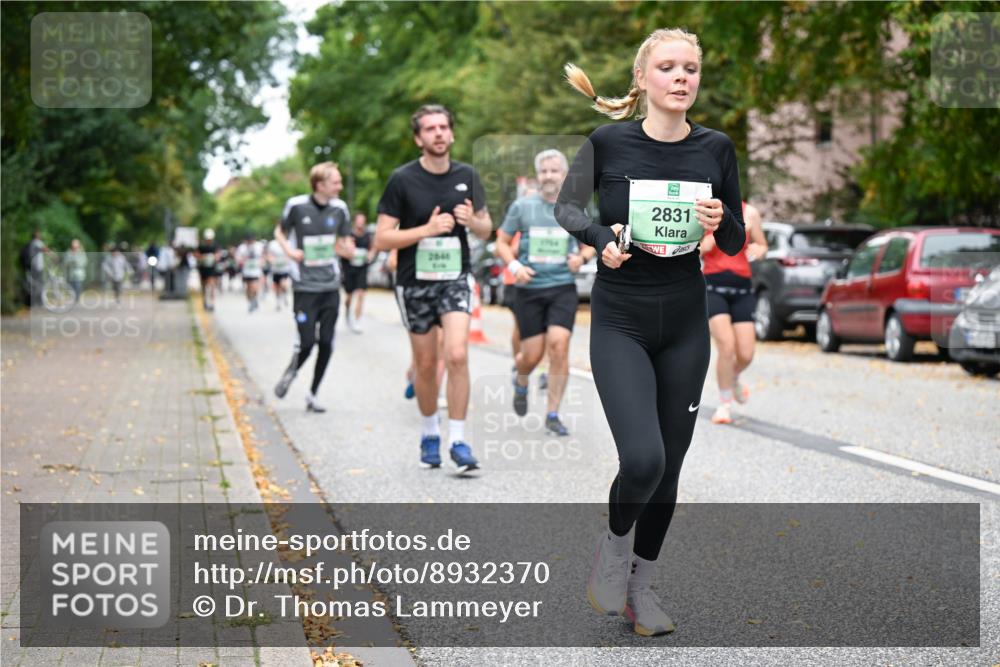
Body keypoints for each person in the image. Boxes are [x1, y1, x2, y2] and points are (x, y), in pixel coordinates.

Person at [556, 29, 745, 636]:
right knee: (643, 459)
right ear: (643, 80)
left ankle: (642, 587)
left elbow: (737, 239)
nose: (682, 77)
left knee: (671, 466)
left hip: (685, 319)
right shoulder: (608, 141)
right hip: (620, 317)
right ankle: (613, 550)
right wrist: (598, 239)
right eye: (668, 67)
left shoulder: (715, 149)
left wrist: (720, 220)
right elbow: (567, 208)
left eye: (691, 67)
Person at [374, 104, 492, 474]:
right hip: (414, 282)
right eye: (430, 129)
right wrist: (425, 230)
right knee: (426, 365)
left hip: (455, 278)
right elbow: (381, 238)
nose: (438, 133)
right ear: (418, 138)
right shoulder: (402, 180)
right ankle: (430, 431)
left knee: (456, 355)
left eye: (443, 127)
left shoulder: (468, 175)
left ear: (452, 134)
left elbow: (488, 229)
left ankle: (457, 439)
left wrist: (471, 220)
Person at [495, 149, 595, 436]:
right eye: (544, 171)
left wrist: (581, 259)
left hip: (562, 287)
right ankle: (522, 379)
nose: (549, 176)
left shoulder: (575, 208)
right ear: (538, 175)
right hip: (530, 289)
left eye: (555, 171)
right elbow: (501, 243)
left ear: (565, 176)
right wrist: (515, 267)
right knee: (531, 355)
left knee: (559, 345)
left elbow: (590, 242)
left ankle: (553, 413)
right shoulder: (522, 207)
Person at [272, 162, 353, 413]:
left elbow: (343, 243)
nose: (340, 186)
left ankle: (313, 393)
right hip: (304, 287)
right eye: (336, 182)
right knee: (307, 342)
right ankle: (292, 371)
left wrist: (347, 250)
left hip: (330, 286)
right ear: (320, 185)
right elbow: (280, 231)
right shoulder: (296, 206)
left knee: (327, 343)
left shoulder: (340, 209)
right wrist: (290, 251)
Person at [700, 201, 767, 424]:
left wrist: (759, 249)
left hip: (741, 288)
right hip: (713, 287)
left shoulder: (750, 213)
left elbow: (762, 245)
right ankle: (724, 405)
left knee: (746, 354)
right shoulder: (705, 209)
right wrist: (703, 245)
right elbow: (691, 248)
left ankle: (733, 375)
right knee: (726, 347)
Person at [341, 212, 377, 333]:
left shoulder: (367, 235)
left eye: (363, 220)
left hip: (362, 267)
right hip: (349, 268)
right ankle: (347, 312)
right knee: (349, 295)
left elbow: (373, 247)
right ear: (355, 221)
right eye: (359, 220)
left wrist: (371, 255)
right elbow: (339, 247)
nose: (361, 223)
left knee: (361, 294)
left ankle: (357, 321)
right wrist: (348, 253)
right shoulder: (348, 235)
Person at [236, 232, 265, 312]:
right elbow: (238, 258)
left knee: (254, 287)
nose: (250, 242)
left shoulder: (258, 246)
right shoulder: (242, 248)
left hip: (256, 271)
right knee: (248, 288)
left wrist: (262, 262)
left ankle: (254, 299)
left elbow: (263, 256)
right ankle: (250, 301)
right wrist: (242, 260)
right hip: (246, 271)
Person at [267, 229, 292, 311]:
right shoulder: (272, 244)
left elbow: (291, 254)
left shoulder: (288, 243)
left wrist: (287, 260)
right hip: (276, 269)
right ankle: (278, 302)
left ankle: (285, 295)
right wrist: (272, 260)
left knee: (283, 284)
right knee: (277, 287)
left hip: (285, 269)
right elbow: (269, 255)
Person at [197, 228, 221, 311]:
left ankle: (212, 303)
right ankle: (205, 301)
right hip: (203, 269)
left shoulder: (215, 245)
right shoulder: (201, 246)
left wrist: (214, 257)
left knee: (211, 286)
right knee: (204, 286)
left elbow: (218, 255)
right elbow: (196, 255)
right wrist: (203, 257)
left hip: (212, 269)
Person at [65, 239, 88, 304]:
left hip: (78, 273)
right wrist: (71, 262)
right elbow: (66, 262)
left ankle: (77, 298)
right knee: (71, 286)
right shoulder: (68, 252)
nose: (74, 247)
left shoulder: (81, 252)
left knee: (77, 286)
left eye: (75, 246)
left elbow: (84, 261)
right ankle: (72, 298)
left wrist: (77, 263)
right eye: (73, 246)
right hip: (70, 273)